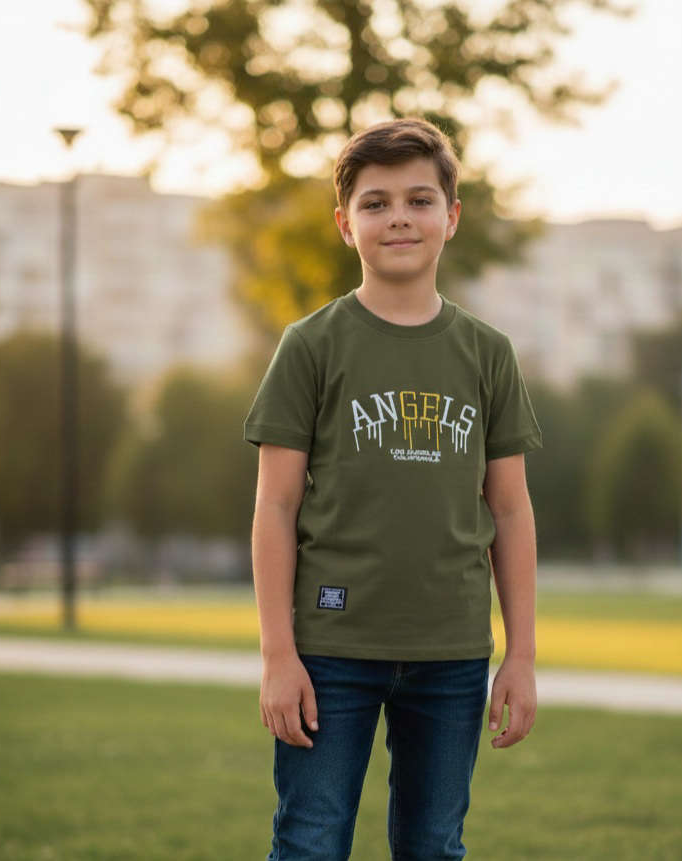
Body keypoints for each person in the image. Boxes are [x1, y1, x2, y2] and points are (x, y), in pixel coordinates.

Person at [243, 116, 544, 860]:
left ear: (452, 216)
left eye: (419, 200)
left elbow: (511, 509)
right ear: (346, 225)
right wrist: (278, 655)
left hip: (452, 651)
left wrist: (522, 655)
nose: (399, 217)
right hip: (330, 648)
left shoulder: (488, 353)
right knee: (310, 843)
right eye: (376, 203)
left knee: (433, 847)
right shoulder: (311, 345)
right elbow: (275, 506)